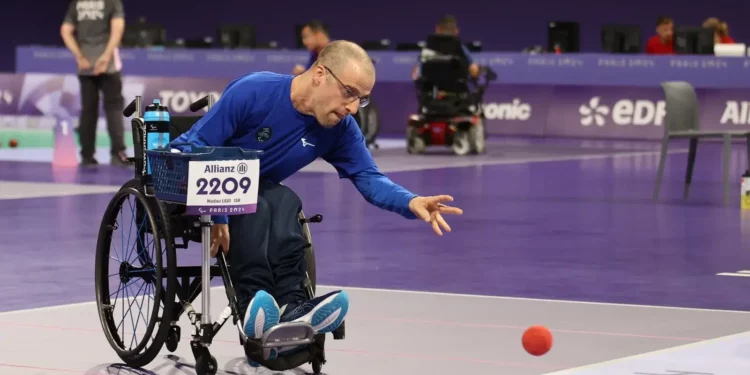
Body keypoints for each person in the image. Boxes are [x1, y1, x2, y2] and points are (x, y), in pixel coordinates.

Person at [170, 40, 463, 360]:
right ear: (320, 74)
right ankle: (253, 308)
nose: (352, 107)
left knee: (282, 199)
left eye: (362, 99)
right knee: (261, 198)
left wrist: (411, 202)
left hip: (256, 192)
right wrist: (217, 213)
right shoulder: (254, 91)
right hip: (188, 182)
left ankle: (292, 307)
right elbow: (195, 147)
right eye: (349, 92)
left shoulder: (340, 128)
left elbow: (369, 177)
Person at [60, 0, 129, 168]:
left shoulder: (78, 2)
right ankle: (118, 154)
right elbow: (117, 28)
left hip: (86, 65)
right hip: (108, 65)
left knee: (88, 109)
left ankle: (87, 156)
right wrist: (106, 57)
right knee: (113, 107)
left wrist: (80, 56)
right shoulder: (112, 1)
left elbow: (65, 30)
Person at [412, 15, 480, 81]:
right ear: (456, 31)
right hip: (458, 88)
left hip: (430, 88)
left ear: (437, 29)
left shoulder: (428, 46)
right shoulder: (461, 48)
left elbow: (415, 74)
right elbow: (474, 71)